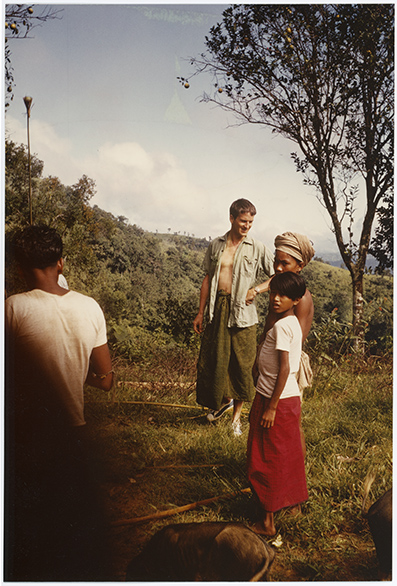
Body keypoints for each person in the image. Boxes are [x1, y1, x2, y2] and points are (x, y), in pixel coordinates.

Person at [5, 225, 114, 581]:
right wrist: (73, 368)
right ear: (61, 263)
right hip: (74, 433)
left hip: (26, 434)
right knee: (67, 523)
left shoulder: (13, 308)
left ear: (19, 268)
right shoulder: (90, 307)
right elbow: (106, 380)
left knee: (26, 524)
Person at [193, 199, 274, 436]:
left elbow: (276, 276)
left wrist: (256, 289)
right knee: (216, 359)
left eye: (250, 222)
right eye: (243, 221)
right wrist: (200, 312)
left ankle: (236, 420)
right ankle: (221, 405)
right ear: (232, 219)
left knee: (242, 364)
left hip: (244, 314)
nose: (247, 226)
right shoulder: (217, 245)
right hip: (217, 308)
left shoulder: (257, 247)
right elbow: (208, 279)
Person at [247, 271, 308, 537]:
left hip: (275, 400)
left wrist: (270, 407)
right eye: (273, 293)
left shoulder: (283, 326)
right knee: (289, 452)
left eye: (283, 295)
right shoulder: (292, 322)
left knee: (264, 457)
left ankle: (267, 521)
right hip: (289, 397)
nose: (275, 299)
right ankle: (293, 505)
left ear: (296, 300)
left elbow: (284, 368)